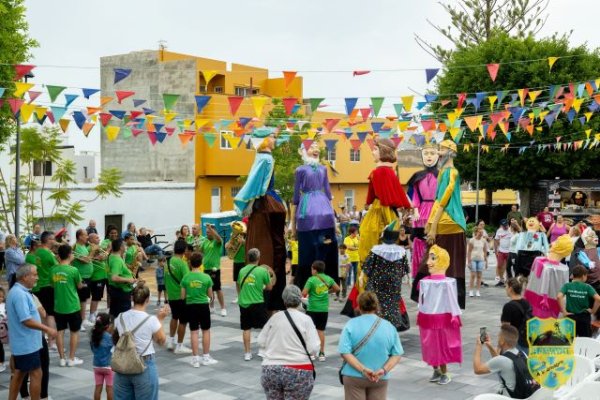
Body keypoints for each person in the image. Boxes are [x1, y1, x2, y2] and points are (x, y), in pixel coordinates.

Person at [234, 129, 287, 312]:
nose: (275, 139)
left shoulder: (261, 157)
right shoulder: (266, 158)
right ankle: (272, 296)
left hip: (265, 203)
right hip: (266, 202)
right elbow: (255, 183)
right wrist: (247, 200)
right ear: (264, 140)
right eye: (272, 136)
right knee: (273, 245)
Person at [359, 139, 411, 287]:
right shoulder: (390, 172)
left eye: (375, 149)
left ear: (383, 152)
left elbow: (379, 198)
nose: (372, 152)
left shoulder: (379, 172)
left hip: (380, 214)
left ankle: (368, 290)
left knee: (369, 248)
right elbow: (399, 194)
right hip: (389, 213)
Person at [424, 140, 468, 309]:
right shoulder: (443, 172)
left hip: (450, 222)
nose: (439, 153)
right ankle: (440, 300)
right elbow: (437, 201)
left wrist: (433, 226)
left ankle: (450, 302)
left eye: (442, 150)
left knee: (451, 265)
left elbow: (443, 201)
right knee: (436, 262)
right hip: (444, 222)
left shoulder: (452, 172)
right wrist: (430, 223)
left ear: (450, 152)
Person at [258, 285, 320, 400]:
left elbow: (261, 341)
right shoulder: (306, 319)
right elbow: (314, 348)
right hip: (299, 369)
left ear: (283, 300)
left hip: (271, 369)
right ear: (300, 299)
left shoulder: (274, 317)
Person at [292, 141, 339, 291]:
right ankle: (306, 286)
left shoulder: (323, 169)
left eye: (317, 147)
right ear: (303, 151)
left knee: (325, 250)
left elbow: (329, 193)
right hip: (307, 214)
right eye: (312, 147)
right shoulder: (300, 170)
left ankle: (327, 283)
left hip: (324, 213)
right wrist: (292, 225)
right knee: (306, 253)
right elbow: (295, 198)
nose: (316, 150)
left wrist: (335, 221)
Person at [339, 291, 403, 400]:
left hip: (354, 375)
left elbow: (344, 352)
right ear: (376, 306)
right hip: (379, 377)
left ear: (359, 306)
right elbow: (397, 354)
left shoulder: (351, 324)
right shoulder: (389, 326)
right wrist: (384, 370)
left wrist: (363, 370)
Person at [7, 264, 57, 400]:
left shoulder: (20, 292)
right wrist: (47, 329)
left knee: (19, 374)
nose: (37, 278)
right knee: (36, 373)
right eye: (34, 275)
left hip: (25, 343)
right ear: (25, 277)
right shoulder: (19, 294)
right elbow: (26, 320)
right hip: (26, 344)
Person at [112, 284, 168, 400]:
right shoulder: (151, 320)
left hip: (122, 366)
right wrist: (161, 319)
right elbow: (161, 341)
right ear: (147, 300)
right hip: (144, 365)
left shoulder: (120, 317)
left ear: (132, 298)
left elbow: (116, 338)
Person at [417, 245, 462, 385]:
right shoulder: (425, 282)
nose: (428, 262)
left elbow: (453, 301)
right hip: (427, 318)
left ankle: (445, 372)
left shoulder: (448, 283)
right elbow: (421, 301)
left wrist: (455, 316)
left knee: (440, 345)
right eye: (429, 258)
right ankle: (436, 370)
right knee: (430, 345)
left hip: (442, 318)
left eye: (433, 258)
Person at [361, 220, 409, 331]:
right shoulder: (400, 252)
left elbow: (367, 266)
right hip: (393, 285)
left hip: (377, 283)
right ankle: (390, 329)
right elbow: (405, 268)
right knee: (392, 306)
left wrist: (362, 277)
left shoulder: (376, 251)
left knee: (377, 305)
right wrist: (404, 278)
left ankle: (376, 328)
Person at [407, 142, 439, 280]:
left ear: (438, 155)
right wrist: (415, 209)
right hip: (421, 212)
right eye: (426, 153)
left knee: (436, 245)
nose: (429, 156)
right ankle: (419, 278)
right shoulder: (417, 176)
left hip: (437, 210)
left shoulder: (442, 175)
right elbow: (413, 195)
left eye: (432, 153)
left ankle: (436, 275)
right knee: (419, 245)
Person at [180, 252, 217, 367]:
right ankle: (206, 357)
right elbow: (210, 296)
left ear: (190, 263)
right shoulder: (206, 277)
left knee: (194, 332)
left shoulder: (186, 277)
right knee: (206, 330)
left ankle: (195, 359)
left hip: (191, 306)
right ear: (201, 263)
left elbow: (182, 296)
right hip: (203, 306)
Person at [473, 325, 532, 398]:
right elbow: (499, 361)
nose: (498, 339)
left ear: (502, 341)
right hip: (526, 396)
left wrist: (478, 346)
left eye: (499, 337)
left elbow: (477, 370)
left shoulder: (502, 360)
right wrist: (489, 346)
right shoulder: (522, 354)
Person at [524, 235, 573, 318]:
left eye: (556, 241)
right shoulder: (540, 261)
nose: (553, 242)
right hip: (538, 299)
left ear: (560, 247)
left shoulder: (562, 269)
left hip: (544, 301)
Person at [238, 248, 273, 361]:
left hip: (244, 303)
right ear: (258, 258)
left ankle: (247, 353)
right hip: (258, 302)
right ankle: (262, 351)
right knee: (264, 327)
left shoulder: (242, 270)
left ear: (248, 258)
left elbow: (239, 285)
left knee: (246, 328)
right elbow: (269, 287)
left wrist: (241, 296)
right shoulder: (262, 271)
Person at [52, 244, 85, 367]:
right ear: (70, 254)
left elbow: (52, 284)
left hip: (59, 306)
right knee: (74, 332)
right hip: (73, 306)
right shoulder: (73, 270)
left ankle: (61, 358)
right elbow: (80, 285)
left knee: (60, 331)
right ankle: (71, 358)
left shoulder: (54, 269)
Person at [301, 260, 339, 361]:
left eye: (312, 269)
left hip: (312, 309)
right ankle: (322, 353)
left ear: (315, 270)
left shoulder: (311, 280)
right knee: (321, 331)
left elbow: (303, 293)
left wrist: (307, 295)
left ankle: (312, 353)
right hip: (323, 310)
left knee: (310, 332)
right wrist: (327, 291)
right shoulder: (328, 278)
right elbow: (337, 288)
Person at [18, 289, 51, 400]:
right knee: (40, 368)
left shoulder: (14, 296)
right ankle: (43, 396)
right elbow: (43, 313)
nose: (36, 278)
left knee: (22, 370)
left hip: (21, 338)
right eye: (34, 275)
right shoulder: (29, 296)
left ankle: (24, 395)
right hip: (35, 337)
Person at [164, 240, 191, 354]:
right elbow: (187, 281)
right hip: (182, 296)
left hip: (171, 295)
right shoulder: (182, 264)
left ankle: (171, 341)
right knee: (183, 321)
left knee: (174, 317)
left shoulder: (168, 261)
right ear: (184, 250)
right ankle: (179, 346)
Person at [558, 265, 600, 337]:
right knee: (585, 342)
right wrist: (593, 311)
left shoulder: (567, 285)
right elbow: (598, 299)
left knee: (570, 342)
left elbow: (559, 297)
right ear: (583, 276)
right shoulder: (587, 287)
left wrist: (564, 312)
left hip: (571, 317)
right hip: (584, 318)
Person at [34, 231, 58, 350]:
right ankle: (51, 343)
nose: (54, 241)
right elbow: (58, 266)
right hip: (47, 286)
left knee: (41, 315)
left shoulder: (37, 252)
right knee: (50, 314)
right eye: (53, 239)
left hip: (37, 286)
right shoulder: (48, 254)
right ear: (47, 240)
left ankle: (42, 342)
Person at [200, 223, 226, 316]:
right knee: (208, 288)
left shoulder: (217, 241)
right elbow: (200, 251)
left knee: (218, 288)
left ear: (214, 232)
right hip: (206, 268)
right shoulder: (205, 241)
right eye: (206, 232)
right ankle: (212, 307)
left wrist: (211, 229)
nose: (208, 233)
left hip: (215, 269)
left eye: (209, 231)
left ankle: (223, 308)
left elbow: (218, 238)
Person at [501, 277, 532, 355]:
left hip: (514, 342)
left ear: (510, 288)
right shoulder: (527, 303)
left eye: (506, 287)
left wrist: (500, 346)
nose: (505, 289)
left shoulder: (508, 306)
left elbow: (505, 328)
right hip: (526, 340)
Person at [72, 229, 94, 329]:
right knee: (81, 299)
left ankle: (83, 319)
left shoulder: (83, 246)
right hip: (81, 277)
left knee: (84, 298)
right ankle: (79, 322)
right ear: (80, 236)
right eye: (85, 235)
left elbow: (89, 259)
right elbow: (86, 260)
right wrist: (93, 251)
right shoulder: (76, 247)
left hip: (87, 276)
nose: (87, 237)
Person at [107, 239, 136, 318]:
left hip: (116, 290)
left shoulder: (112, 256)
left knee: (114, 314)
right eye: (125, 245)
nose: (126, 247)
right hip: (121, 292)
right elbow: (114, 277)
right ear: (121, 247)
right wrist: (129, 280)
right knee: (123, 316)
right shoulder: (117, 260)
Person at [90, 312, 114, 400]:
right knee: (110, 388)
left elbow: (93, 349)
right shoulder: (109, 337)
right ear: (107, 326)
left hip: (96, 366)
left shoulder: (93, 336)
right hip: (108, 366)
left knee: (98, 388)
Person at [88, 233, 108, 325]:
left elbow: (104, 257)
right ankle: (91, 315)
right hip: (96, 276)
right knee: (95, 297)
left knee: (98, 297)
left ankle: (94, 312)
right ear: (91, 239)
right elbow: (94, 258)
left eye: (98, 237)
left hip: (102, 275)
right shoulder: (90, 248)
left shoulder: (99, 247)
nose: (99, 239)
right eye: (96, 238)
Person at [226, 221, 246, 304]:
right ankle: (239, 296)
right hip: (236, 260)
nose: (234, 229)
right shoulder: (233, 236)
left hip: (244, 260)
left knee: (244, 280)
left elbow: (250, 245)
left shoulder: (246, 236)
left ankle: (244, 296)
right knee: (237, 281)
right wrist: (228, 245)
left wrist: (243, 242)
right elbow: (228, 245)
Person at [468, 228, 488, 297]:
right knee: (473, 275)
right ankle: (471, 290)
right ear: (476, 232)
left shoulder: (484, 241)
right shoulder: (472, 240)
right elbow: (469, 251)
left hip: (481, 259)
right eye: (479, 232)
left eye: (482, 232)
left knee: (479, 276)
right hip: (473, 259)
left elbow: (485, 251)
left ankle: (477, 291)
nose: (481, 234)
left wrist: (486, 261)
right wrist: (468, 261)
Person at [494, 220, 512, 287]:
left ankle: (508, 280)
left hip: (509, 251)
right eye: (504, 226)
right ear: (501, 225)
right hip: (501, 251)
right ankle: (501, 280)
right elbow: (495, 240)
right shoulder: (499, 230)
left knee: (508, 267)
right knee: (499, 266)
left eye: (506, 225)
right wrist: (496, 251)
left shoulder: (511, 230)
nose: (506, 227)